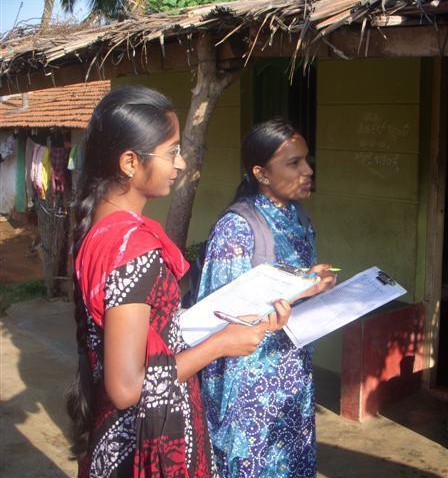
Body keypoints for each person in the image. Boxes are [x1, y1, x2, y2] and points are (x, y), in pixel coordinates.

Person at [66, 87, 291, 478]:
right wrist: (221, 344)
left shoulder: (101, 231)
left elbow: (145, 327)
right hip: (148, 441)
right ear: (130, 162)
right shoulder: (132, 248)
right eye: (171, 151)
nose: (181, 162)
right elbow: (126, 386)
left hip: (121, 434)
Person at [196, 118, 336, 477]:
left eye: (307, 160)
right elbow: (219, 319)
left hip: (292, 376)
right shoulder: (237, 228)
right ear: (261, 173)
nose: (308, 171)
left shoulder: (298, 218)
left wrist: (314, 288)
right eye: (294, 163)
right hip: (249, 389)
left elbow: (288, 292)